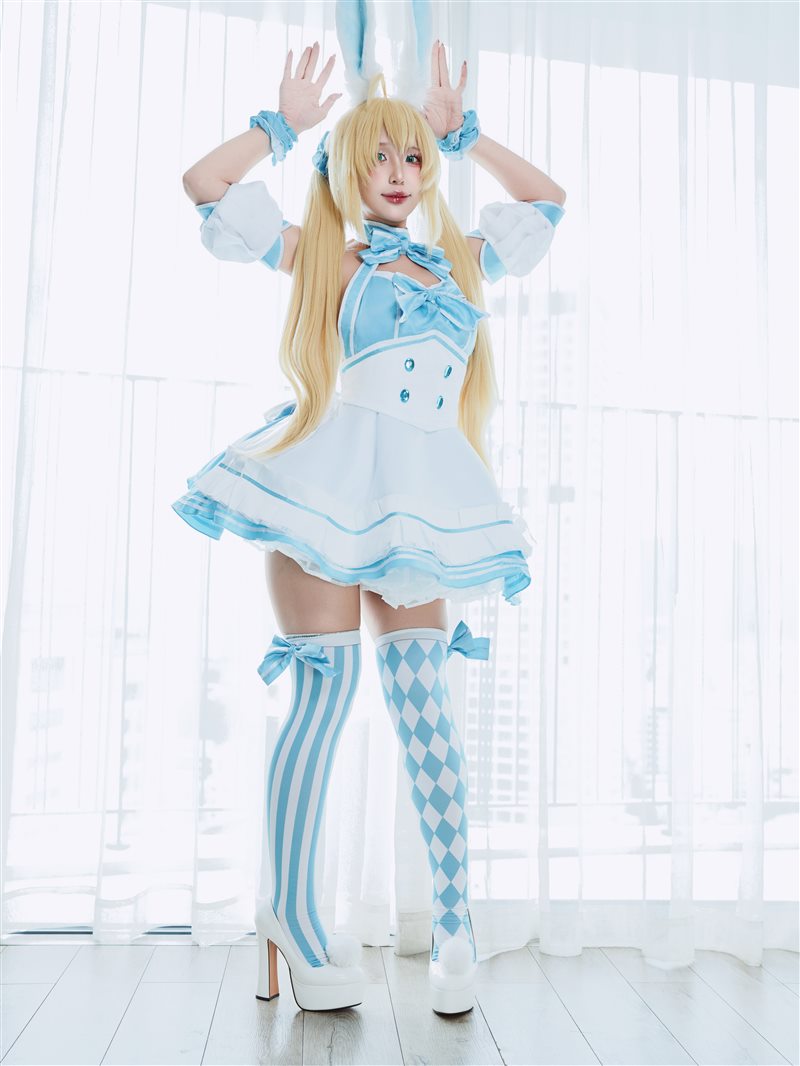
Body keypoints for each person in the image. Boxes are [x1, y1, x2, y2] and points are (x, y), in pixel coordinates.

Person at [175, 38, 565, 1015]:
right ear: (347, 169)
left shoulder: (459, 263)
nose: (397, 172)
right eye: (377, 156)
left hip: (420, 502)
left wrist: (466, 139)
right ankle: (291, 915)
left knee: (426, 707)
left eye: (411, 157)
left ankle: (455, 927)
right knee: (322, 698)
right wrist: (280, 126)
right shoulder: (329, 256)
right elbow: (205, 185)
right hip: (327, 485)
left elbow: (548, 202)